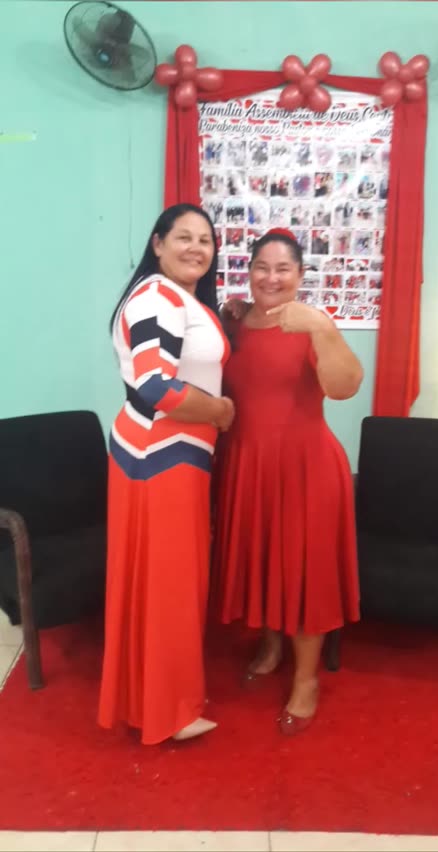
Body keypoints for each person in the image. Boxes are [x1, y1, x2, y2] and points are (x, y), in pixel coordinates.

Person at [212, 228, 363, 736]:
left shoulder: (312, 323)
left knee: (303, 572)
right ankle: (272, 644)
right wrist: (231, 313)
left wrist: (322, 326)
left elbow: (344, 387)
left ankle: (306, 680)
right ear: (248, 272)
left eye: (283, 269)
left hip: (306, 468)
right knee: (262, 559)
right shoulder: (235, 323)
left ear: (300, 275)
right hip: (247, 463)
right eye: (262, 267)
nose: (271, 277)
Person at [98, 203, 234, 745]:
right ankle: (170, 711)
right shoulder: (157, 296)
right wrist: (220, 411)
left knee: (156, 582)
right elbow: (156, 387)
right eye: (183, 237)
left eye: (205, 240)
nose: (196, 248)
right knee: (171, 585)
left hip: (163, 453)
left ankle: (150, 700)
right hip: (164, 456)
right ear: (157, 244)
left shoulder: (178, 298)